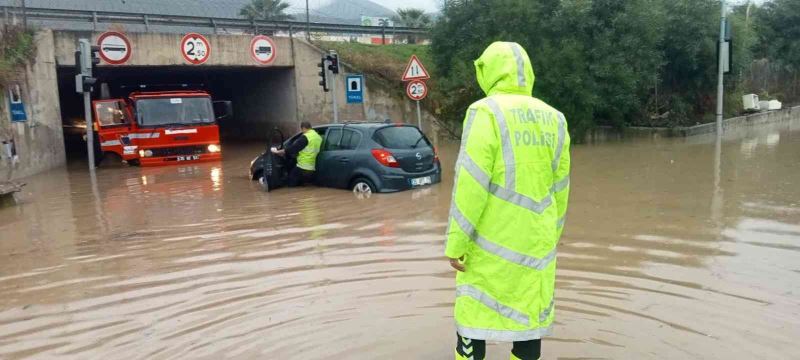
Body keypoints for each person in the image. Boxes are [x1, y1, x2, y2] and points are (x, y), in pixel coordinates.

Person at [445, 42, 571, 360]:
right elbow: (561, 190)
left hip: (488, 247)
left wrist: (456, 243)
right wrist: (550, 239)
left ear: (487, 72)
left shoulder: (485, 112)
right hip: (536, 247)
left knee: (473, 321)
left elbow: (471, 184)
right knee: (527, 326)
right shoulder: (555, 119)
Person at [271, 121, 322, 187]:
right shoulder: (318, 137)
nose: (302, 132)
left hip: (302, 167)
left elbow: (292, 149)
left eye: (302, 130)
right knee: (300, 185)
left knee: (289, 184)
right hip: (312, 168)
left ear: (303, 128)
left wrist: (277, 152)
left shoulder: (306, 137)